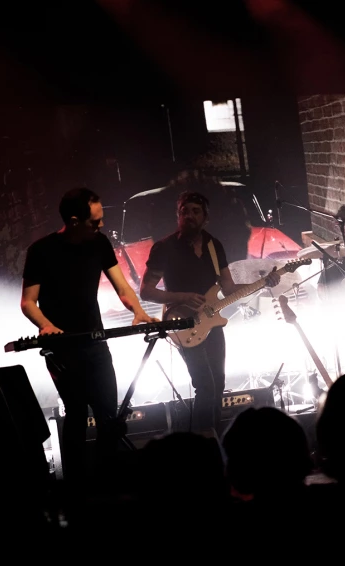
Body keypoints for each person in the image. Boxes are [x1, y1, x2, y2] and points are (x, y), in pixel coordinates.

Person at [20, 187, 157, 516]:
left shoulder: (99, 243)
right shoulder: (41, 251)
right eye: (95, 222)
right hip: (62, 351)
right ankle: (78, 494)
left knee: (109, 415)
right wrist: (46, 325)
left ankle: (107, 485)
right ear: (74, 220)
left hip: (96, 344)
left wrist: (138, 311)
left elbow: (123, 286)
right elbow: (28, 302)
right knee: (76, 414)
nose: (101, 227)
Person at [139, 191, 281, 438]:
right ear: (178, 215)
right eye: (184, 211)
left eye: (195, 211)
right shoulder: (164, 248)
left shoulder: (214, 246)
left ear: (206, 217)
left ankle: (213, 439)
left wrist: (264, 282)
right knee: (205, 385)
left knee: (218, 384)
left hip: (212, 322)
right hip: (182, 323)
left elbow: (227, 288)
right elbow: (146, 291)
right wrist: (181, 297)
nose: (189, 216)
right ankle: (204, 447)